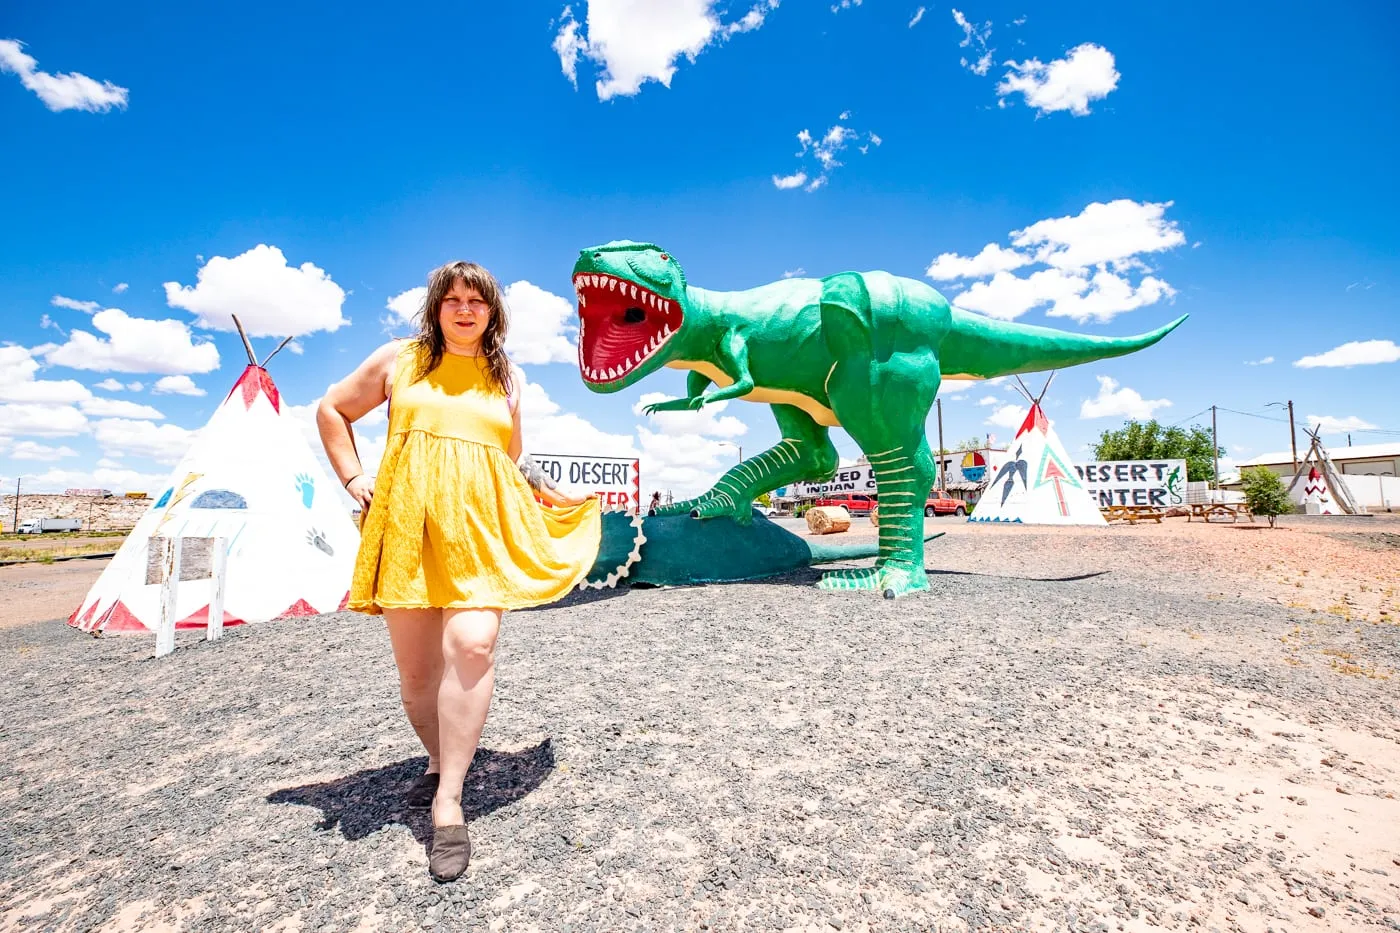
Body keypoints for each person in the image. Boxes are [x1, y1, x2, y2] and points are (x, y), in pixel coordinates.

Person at [317, 260, 601, 883]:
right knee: (418, 679)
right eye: (453, 301)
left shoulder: (508, 377)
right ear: (436, 309)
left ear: (493, 312)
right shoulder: (401, 359)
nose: (465, 310)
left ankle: (448, 803)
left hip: (476, 533)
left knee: (472, 644)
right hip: (408, 530)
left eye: (478, 301)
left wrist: (546, 497)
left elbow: (506, 457)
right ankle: (440, 762)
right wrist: (355, 478)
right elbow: (332, 411)